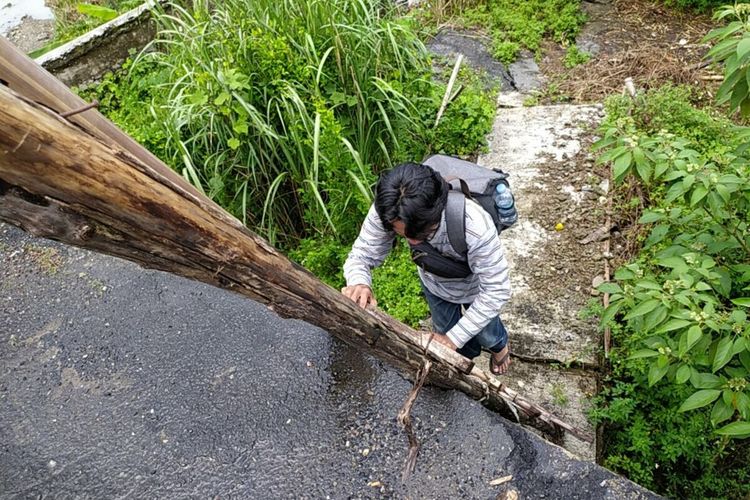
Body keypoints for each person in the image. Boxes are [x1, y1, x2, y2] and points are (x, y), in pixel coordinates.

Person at [341, 161, 512, 375]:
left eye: (422, 234)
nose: (413, 243)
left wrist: (452, 339)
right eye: (403, 234)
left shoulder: (474, 225)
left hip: (476, 289)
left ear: (436, 212)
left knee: (488, 334)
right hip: (435, 283)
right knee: (448, 333)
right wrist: (359, 282)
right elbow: (361, 255)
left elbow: (497, 290)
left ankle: (500, 348)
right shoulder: (390, 208)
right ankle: (463, 362)